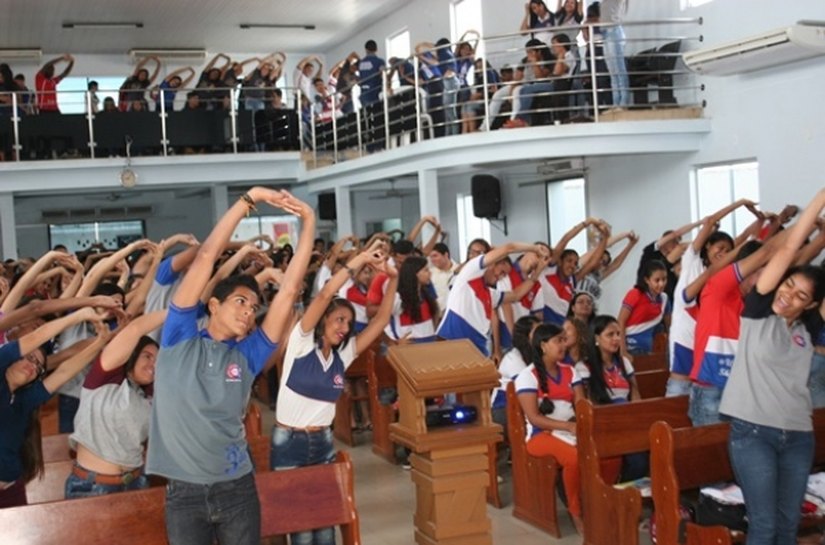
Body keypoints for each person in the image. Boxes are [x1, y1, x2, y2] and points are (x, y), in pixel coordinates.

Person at [145, 187, 315, 545]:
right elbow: (206, 255)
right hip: (184, 493)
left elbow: (288, 292)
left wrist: (309, 221)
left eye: (254, 307)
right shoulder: (179, 337)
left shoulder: (247, 354)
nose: (248, 311)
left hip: (236, 489)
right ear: (213, 305)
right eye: (240, 301)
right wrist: (249, 198)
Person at [272, 240, 397, 545]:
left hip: (323, 441)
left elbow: (381, 319)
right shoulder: (301, 343)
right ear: (323, 319)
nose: (344, 326)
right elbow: (327, 292)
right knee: (302, 530)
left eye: (349, 323)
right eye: (339, 319)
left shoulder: (343, 355)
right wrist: (361, 259)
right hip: (290, 443)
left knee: (326, 526)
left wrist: (392, 279)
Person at [719, 189, 825, 545]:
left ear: (811, 306)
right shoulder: (758, 311)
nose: (788, 295)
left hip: (797, 436)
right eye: (788, 285)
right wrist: (822, 198)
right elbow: (791, 246)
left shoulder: (809, 328)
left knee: (787, 525)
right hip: (753, 434)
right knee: (764, 527)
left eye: (800, 296)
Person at [0, 307, 109, 508]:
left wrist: (100, 342)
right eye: (28, 357)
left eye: (38, 366)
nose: (33, 365)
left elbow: (63, 372)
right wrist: (79, 314)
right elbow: (38, 335)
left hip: (11, 490)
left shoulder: (24, 399)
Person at [65, 311, 166, 498]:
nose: (154, 364)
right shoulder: (104, 379)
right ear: (132, 355)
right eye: (147, 356)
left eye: (158, 360)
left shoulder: (149, 394)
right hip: (92, 487)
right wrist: (180, 310)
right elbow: (135, 329)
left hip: (136, 483)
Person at [515, 323, 586, 532]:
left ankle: (593, 501)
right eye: (558, 341)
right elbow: (535, 418)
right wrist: (567, 426)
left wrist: (578, 424)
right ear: (544, 345)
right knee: (574, 458)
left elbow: (581, 405)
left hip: (569, 430)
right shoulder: (528, 376)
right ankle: (576, 512)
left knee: (607, 453)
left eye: (565, 339)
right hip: (540, 436)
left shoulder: (570, 371)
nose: (563, 345)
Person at [437, 241, 550, 355]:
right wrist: (535, 248)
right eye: (502, 272)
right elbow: (509, 248)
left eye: (505, 275)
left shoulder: (491, 295)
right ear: (492, 263)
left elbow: (516, 295)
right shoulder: (470, 273)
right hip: (451, 342)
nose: (500, 277)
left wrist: (537, 273)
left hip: (477, 348)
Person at [617, 259, 668, 355]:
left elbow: (670, 326)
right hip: (631, 348)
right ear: (647, 280)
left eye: (664, 279)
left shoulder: (664, 299)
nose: (661, 284)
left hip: (651, 351)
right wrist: (623, 351)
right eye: (657, 280)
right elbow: (620, 321)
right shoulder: (635, 294)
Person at [600, 0, 630, 107]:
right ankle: (616, 102)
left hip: (613, 30)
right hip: (605, 32)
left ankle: (623, 103)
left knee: (619, 69)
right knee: (612, 72)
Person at [428, 242, 458, 315]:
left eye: (435, 256)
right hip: (437, 316)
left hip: (455, 314)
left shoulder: (459, 271)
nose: (432, 260)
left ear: (446, 255)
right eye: (431, 257)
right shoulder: (430, 274)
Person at [358, 40, 386, 107]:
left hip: (364, 93)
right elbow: (383, 75)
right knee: (377, 114)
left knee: (367, 114)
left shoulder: (361, 63)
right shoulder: (380, 62)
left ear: (366, 50)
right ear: (376, 49)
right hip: (375, 92)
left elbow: (360, 77)